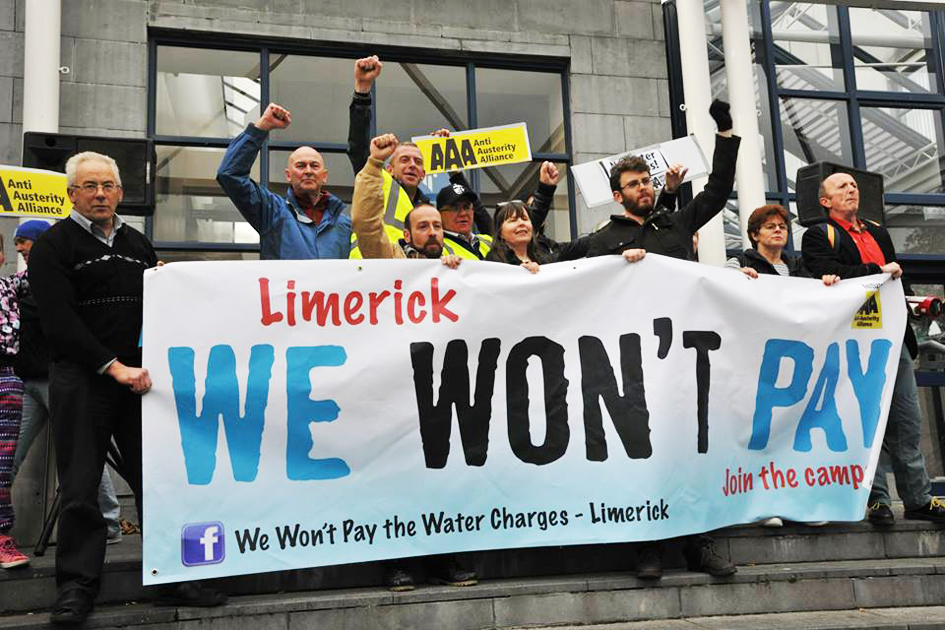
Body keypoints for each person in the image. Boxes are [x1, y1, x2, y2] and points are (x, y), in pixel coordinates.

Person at [28, 151, 226, 625]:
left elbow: (158, 307)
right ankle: (76, 589)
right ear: (72, 194)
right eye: (89, 186)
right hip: (83, 381)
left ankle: (172, 577)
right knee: (80, 488)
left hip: (139, 382)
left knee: (157, 481)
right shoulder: (54, 246)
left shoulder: (137, 243)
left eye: (108, 186)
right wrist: (112, 366)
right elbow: (59, 323)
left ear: (119, 192)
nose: (99, 194)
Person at [584, 100, 740, 580]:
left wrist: (725, 132)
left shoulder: (675, 224)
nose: (644, 188)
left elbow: (717, 192)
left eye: (647, 182)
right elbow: (555, 272)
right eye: (634, 184)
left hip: (685, 356)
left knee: (691, 450)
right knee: (642, 451)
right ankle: (647, 546)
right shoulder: (599, 241)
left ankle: (701, 545)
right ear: (618, 195)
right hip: (633, 362)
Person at [351, 134, 474, 591]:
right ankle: (397, 561)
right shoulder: (390, 259)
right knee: (396, 474)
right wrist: (373, 167)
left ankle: (446, 556)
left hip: (444, 389)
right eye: (423, 227)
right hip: (396, 388)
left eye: (438, 226)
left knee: (444, 474)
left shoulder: (460, 266)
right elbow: (366, 223)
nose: (433, 233)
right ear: (407, 235)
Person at [802, 171, 945, 527]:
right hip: (854, 340)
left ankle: (918, 499)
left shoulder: (878, 232)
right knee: (864, 420)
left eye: (853, 185)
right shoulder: (819, 235)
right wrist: (877, 270)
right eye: (841, 186)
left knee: (907, 421)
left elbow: (894, 282)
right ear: (825, 201)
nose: (851, 189)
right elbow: (827, 271)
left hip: (892, 338)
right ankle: (877, 498)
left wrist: (912, 303)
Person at [9, 220, 124, 547]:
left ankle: (109, 522)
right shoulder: (20, 283)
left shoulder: (59, 278)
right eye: (17, 243)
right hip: (28, 382)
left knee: (81, 452)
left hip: (58, 380)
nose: (20, 248)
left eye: (24, 241)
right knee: (9, 452)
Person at [217, 102, 351, 260]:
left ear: (324, 176)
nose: (308, 171)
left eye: (314, 166)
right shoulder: (272, 212)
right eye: (300, 166)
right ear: (288, 175)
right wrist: (261, 127)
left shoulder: (345, 225)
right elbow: (230, 175)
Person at [0, 232, 28, 570]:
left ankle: (1, 537)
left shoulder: (9, 286)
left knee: (2, 465)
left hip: (6, 377)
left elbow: (51, 268)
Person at [726, 204, 840, 284]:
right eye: (770, 227)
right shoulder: (739, 263)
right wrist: (736, 277)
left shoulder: (800, 267)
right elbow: (723, 286)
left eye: (782, 227)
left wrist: (826, 283)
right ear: (755, 235)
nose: (777, 230)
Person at [486, 201, 593, 271]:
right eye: (513, 220)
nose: (521, 223)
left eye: (525, 219)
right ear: (500, 232)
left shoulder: (545, 258)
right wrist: (519, 272)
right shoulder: (492, 263)